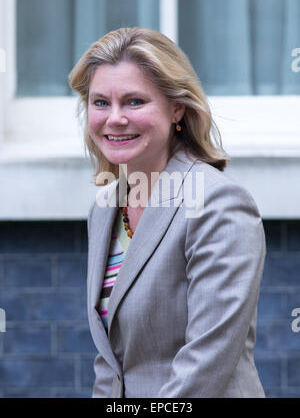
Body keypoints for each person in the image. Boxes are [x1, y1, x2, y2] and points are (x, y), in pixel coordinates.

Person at [68, 27, 266, 398]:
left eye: (134, 101)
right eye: (100, 103)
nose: (114, 118)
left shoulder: (216, 203)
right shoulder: (105, 208)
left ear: (177, 108)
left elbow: (206, 363)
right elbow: (110, 364)